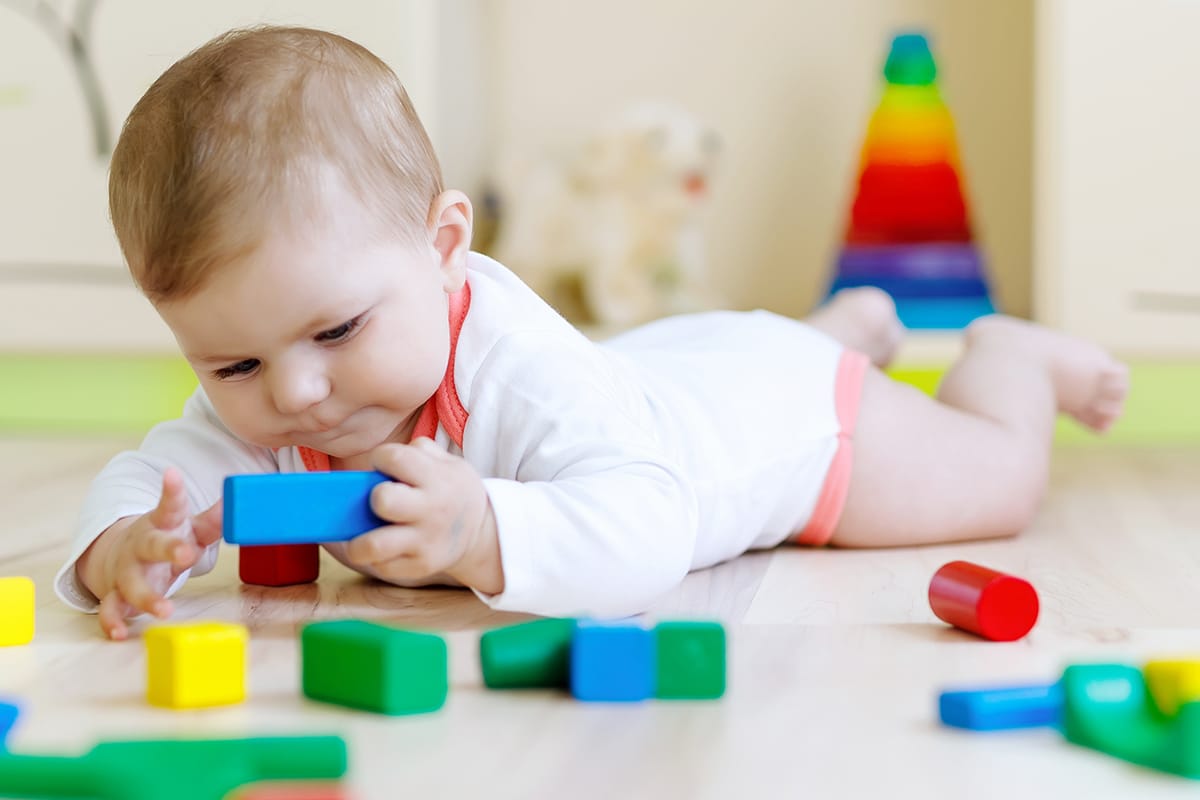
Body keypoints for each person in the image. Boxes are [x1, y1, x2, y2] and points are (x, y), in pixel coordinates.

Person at [56, 26, 1128, 640]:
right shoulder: (287, 373)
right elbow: (154, 474)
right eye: (231, 362)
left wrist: (486, 534)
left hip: (790, 423)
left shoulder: (517, 368)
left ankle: (1008, 363)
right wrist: (122, 550)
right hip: (669, 369)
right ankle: (841, 324)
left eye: (336, 329)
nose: (293, 395)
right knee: (670, 376)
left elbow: (652, 522)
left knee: (996, 481)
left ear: (443, 248)